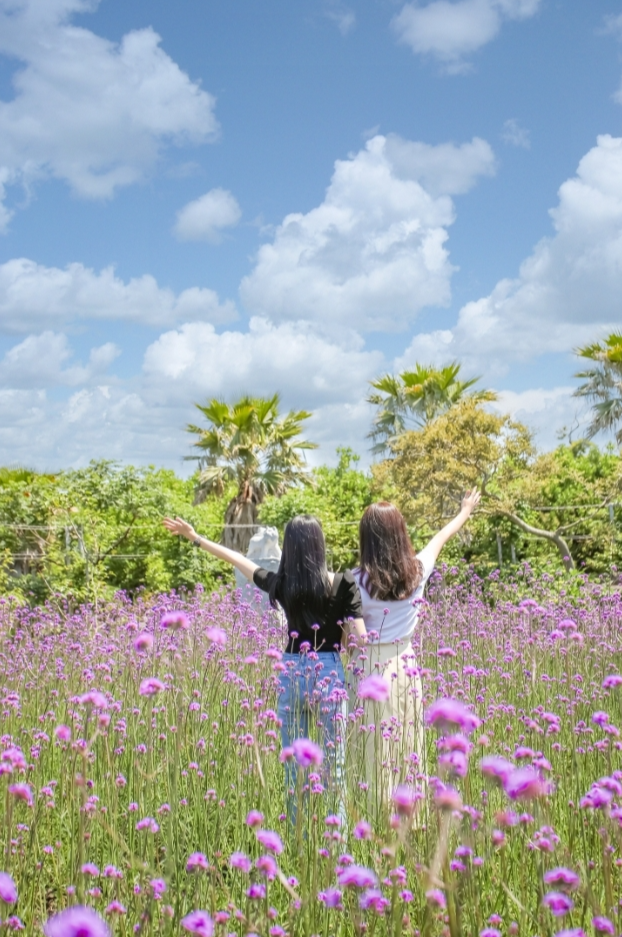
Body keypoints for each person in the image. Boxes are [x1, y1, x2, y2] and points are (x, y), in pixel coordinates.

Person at [162, 514, 366, 823]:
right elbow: (361, 640)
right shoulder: (344, 582)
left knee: (293, 767)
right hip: (329, 672)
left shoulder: (281, 584)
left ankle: (300, 844)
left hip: (292, 671)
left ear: (289, 548)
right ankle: (336, 846)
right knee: (333, 767)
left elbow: (240, 560)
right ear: (320, 545)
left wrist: (196, 537)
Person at [350, 490, 480, 815]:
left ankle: (372, 818)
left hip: (368, 668)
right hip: (405, 666)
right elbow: (443, 535)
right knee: (408, 745)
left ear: (366, 539)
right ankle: (412, 815)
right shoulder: (419, 569)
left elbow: (347, 636)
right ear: (401, 533)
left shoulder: (353, 581)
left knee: (370, 749)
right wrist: (465, 510)